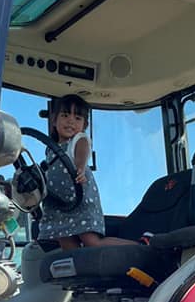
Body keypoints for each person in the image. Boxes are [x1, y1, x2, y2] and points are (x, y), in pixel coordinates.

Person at [38, 95, 133, 250]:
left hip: (79, 200)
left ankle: (140, 248)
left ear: (84, 126)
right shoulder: (50, 149)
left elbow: (82, 150)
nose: (70, 121)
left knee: (91, 241)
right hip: (58, 205)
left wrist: (80, 167)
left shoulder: (77, 140)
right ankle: (78, 274)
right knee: (68, 246)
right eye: (65, 115)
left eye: (77, 118)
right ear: (54, 121)